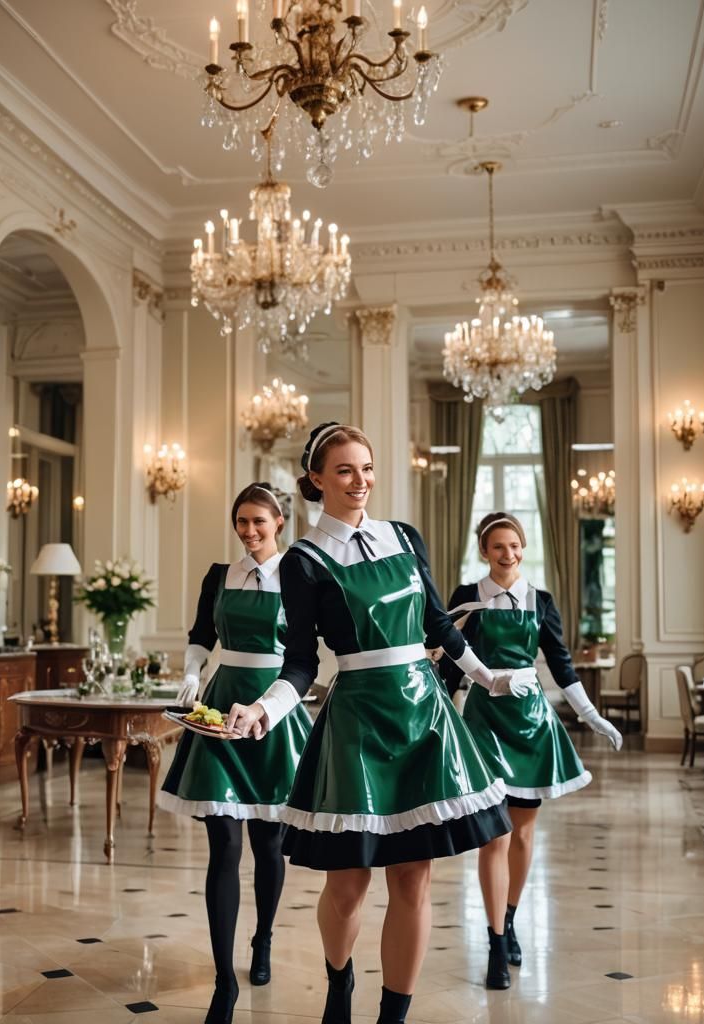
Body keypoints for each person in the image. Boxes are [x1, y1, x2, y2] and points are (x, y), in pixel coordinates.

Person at [228, 423, 523, 1024]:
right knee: (348, 885)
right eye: (344, 470)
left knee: (413, 879)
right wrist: (263, 709)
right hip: (357, 721)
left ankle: (393, 1015)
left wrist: (489, 678)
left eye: (366, 467)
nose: (360, 480)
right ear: (316, 480)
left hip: (423, 716)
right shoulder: (304, 561)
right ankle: (340, 981)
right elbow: (302, 662)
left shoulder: (404, 537)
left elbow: (438, 627)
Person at [439, 511, 623, 990]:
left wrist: (590, 715)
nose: (508, 554)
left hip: (530, 724)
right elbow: (452, 668)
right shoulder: (466, 598)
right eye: (498, 547)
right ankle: (497, 942)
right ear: (484, 551)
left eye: (515, 546)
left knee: (521, 835)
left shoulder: (540, 601)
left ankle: (512, 916)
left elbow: (561, 665)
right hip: (484, 722)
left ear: (523, 548)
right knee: (494, 837)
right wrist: (429, 714)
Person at [158, 483, 313, 1024]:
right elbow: (202, 635)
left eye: (258, 523)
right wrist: (190, 673)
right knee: (223, 843)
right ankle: (224, 980)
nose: (248, 532)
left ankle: (263, 940)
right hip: (221, 708)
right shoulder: (216, 575)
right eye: (241, 522)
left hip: (273, 709)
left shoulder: (300, 575)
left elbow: (306, 654)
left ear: (279, 523)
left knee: (269, 845)